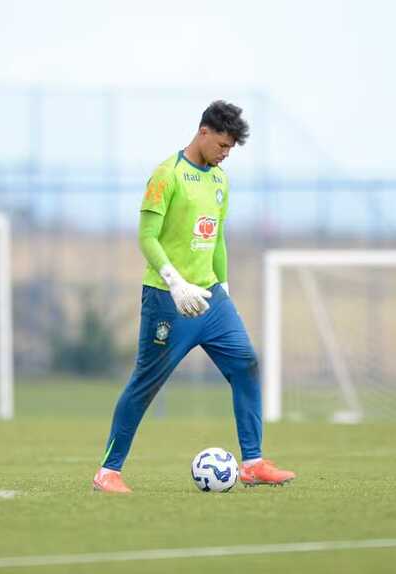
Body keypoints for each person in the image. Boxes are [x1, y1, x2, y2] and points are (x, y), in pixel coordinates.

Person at [92, 101, 295, 493]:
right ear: (204, 132)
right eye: (222, 145)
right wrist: (175, 282)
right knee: (145, 383)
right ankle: (108, 472)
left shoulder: (220, 180)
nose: (225, 153)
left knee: (246, 366)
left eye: (231, 148)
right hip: (168, 301)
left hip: (212, 300)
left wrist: (224, 290)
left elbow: (217, 239)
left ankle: (252, 464)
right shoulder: (167, 175)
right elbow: (146, 237)